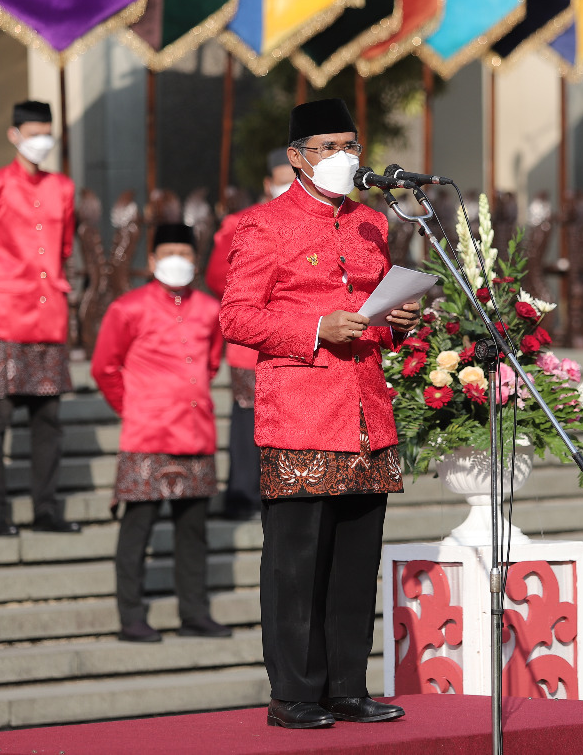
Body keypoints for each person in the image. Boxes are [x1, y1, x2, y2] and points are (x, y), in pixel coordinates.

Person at [220, 99, 421, 729]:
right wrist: (314, 327)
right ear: (297, 157)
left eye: (351, 145)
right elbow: (236, 316)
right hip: (302, 411)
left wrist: (396, 321)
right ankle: (294, 695)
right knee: (296, 563)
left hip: (367, 410)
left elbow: (370, 308)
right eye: (329, 147)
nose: (344, 158)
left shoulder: (370, 224)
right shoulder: (262, 226)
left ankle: (345, 687)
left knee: (357, 560)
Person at [91, 222, 233, 642]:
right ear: (151, 260)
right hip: (147, 435)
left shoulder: (210, 310)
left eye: (186, 254)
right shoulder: (127, 308)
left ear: (197, 260)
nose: (178, 261)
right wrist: (131, 407)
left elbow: (210, 364)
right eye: (169, 253)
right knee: (137, 528)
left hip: (195, 431)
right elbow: (104, 367)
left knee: (194, 531)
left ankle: (194, 612)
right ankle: (130, 616)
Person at [0, 101, 80, 536]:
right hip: (1, 317)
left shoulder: (63, 187)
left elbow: (63, 247)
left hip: (48, 317)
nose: (41, 139)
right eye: (33, 131)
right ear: (14, 135)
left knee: (48, 420)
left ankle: (45, 510)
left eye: (47, 131)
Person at [204, 147, 293, 521]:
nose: (289, 187)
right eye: (282, 180)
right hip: (251, 345)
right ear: (267, 183)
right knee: (247, 419)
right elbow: (216, 277)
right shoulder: (242, 222)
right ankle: (241, 493)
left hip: (296, 341)